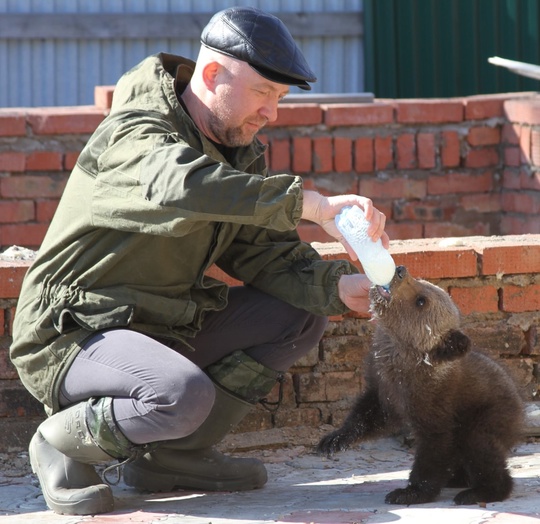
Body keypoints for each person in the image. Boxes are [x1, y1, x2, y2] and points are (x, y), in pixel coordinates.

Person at [10, 6, 389, 517]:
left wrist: (341, 286)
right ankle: (60, 442)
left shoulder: (237, 151)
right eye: (262, 94)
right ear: (212, 75)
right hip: (74, 332)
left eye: (278, 99)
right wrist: (313, 206)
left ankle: (170, 457)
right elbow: (180, 187)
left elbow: (262, 253)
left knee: (298, 316)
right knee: (180, 394)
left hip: (157, 329)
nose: (271, 114)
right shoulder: (136, 132)